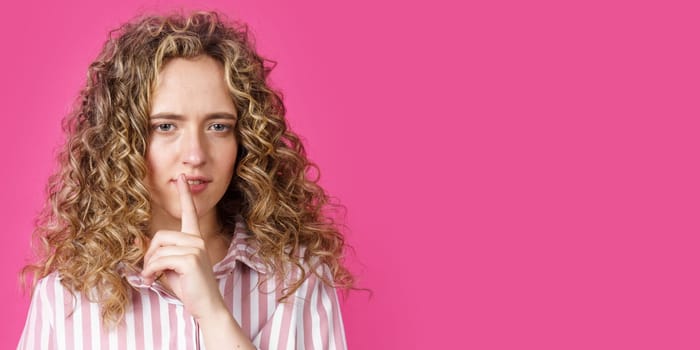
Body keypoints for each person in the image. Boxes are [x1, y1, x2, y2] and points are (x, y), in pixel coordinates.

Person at [18, 10, 353, 350]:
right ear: (124, 141)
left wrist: (213, 313)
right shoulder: (66, 298)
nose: (195, 155)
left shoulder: (298, 279)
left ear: (244, 140)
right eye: (166, 127)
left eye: (218, 127)